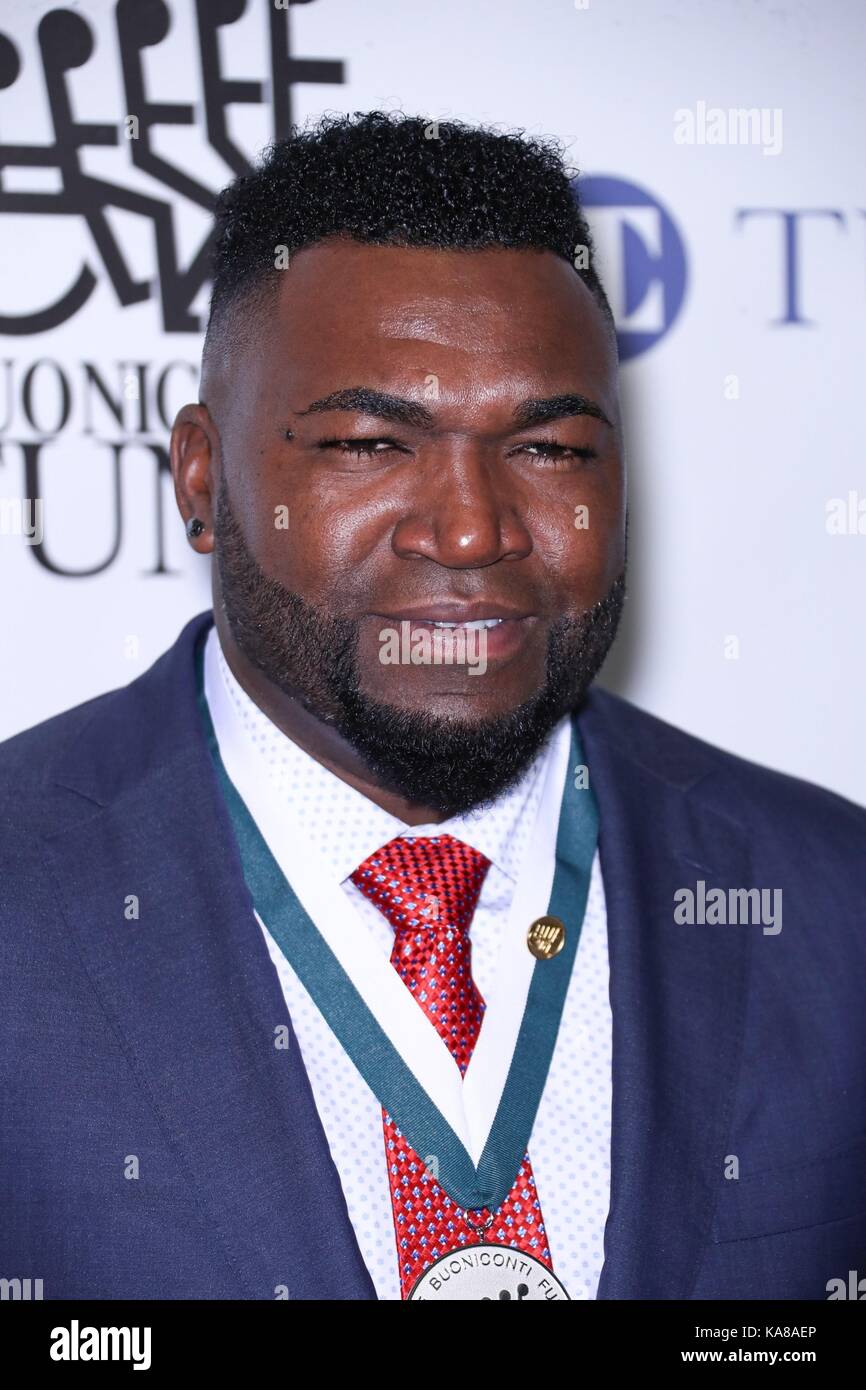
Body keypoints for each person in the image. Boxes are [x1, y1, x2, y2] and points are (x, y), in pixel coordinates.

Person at [1, 112, 864, 1303]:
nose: (469, 528)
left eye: (552, 450)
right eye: (367, 442)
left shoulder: (828, 899)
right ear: (202, 479)